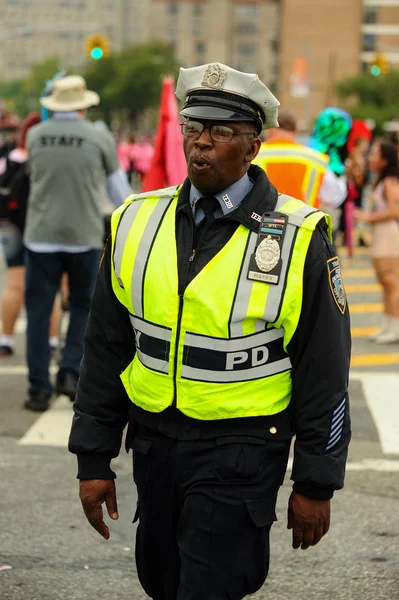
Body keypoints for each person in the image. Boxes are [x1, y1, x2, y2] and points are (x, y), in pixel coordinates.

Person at [69, 63, 351, 600]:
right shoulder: (133, 220)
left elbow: (326, 367)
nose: (201, 143)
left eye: (221, 132)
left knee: (209, 587)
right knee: (162, 582)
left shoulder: (298, 236)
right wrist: (93, 456)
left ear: (252, 146)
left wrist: (316, 481)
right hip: (154, 444)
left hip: (242, 447)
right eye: (193, 127)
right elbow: (105, 347)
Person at [23, 75, 132, 412]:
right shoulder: (98, 137)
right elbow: (119, 192)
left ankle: (38, 388)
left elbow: (33, 176)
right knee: (84, 306)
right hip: (83, 236)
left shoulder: (35, 136)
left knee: (40, 312)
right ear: (83, 105)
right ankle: (71, 372)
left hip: (41, 235)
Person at [0, 113, 61, 357]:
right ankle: (54, 340)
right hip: (44, 228)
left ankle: (5, 338)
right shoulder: (51, 157)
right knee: (48, 287)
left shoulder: (11, 157)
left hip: (12, 226)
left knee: (14, 285)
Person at [253, 109, 346, 211]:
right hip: (303, 224)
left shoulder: (253, 154)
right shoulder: (315, 159)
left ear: (270, 129)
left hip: (260, 223)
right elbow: (333, 198)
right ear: (295, 131)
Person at [355, 139, 399, 343]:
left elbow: (394, 211)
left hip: (389, 236)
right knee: (385, 283)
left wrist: (366, 217)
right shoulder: (381, 181)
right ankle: (387, 325)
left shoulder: (390, 182)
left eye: (374, 154)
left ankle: (394, 328)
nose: (371, 158)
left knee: (392, 284)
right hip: (381, 235)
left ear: (384, 159)